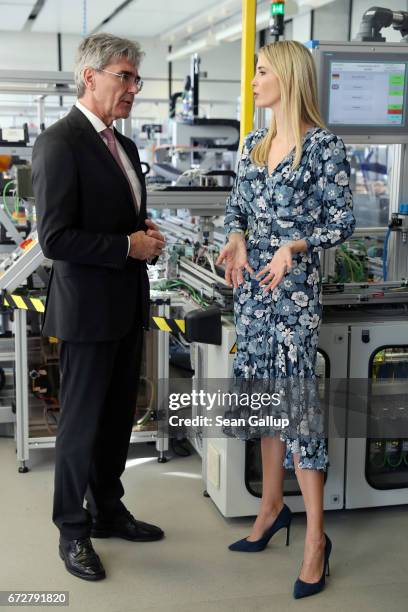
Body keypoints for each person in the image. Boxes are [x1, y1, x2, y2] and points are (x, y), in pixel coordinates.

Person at [216, 40, 355, 599]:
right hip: (251, 292)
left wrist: (294, 245)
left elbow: (342, 221)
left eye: (262, 71)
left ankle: (316, 540)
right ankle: (271, 507)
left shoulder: (323, 147)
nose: (253, 80)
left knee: (296, 410)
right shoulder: (253, 142)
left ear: (290, 78)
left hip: (294, 297)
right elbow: (237, 209)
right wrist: (236, 238)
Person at [32, 33, 166, 582]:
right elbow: (55, 239)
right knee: (81, 427)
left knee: (116, 423)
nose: (133, 88)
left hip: (126, 306)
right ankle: (72, 529)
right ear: (90, 76)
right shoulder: (59, 143)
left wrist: (145, 232)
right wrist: (125, 247)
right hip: (87, 313)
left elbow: (122, 217)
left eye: (136, 78)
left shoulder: (125, 146)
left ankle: (108, 510)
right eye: (124, 76)